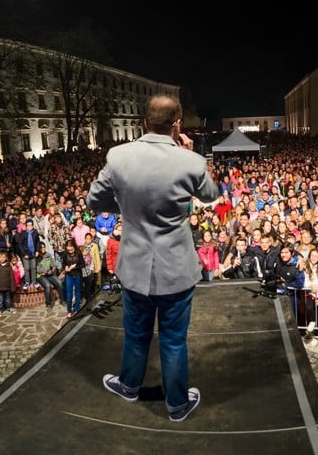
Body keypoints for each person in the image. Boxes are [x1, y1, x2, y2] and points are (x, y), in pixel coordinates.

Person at [89, 94, 219, 423]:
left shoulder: (118, 156)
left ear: (144, 122)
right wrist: (189, 156)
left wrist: (130, 209)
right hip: (176, 269)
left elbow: (94, 200)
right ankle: (176, 405)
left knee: (136, 334)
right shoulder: (190, 161)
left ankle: (129, 385)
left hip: (134, 267)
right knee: (174, 341)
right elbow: (211, 196)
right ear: (177, 125)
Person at [36, 241, 65, 309]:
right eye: (41, 247)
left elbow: (54, 265)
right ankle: (48, 303)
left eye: (44, 247)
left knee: (59, 282)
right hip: (40, 276)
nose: (43, 249)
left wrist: (51, 270)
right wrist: (45, 271)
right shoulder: (37, 257)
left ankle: (62, 300)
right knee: (47, 285)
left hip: (49, 274)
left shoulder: (48, 255)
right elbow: (38, 270)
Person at [61, 239, 84, 318]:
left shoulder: (78, 253)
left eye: (71, 249)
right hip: (69, 275)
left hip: (77, 274)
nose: (70, 251)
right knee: (69, 294)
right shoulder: (65, 254)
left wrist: (75, 267)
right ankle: (69, 311)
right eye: (68, 250)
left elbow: (83, 264)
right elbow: (63, 263)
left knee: (78, 292)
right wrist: (65, 267)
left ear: (74, 247)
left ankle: (77, 309)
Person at [0, 250, 14, 315]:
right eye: (0, 257)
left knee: (8, 298)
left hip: (7, 286)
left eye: (3, 257)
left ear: (6, 258)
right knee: (0, 299)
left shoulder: (8, 265)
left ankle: (9, 307)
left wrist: (12, 286)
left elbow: (11, 276)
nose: (1, 258)